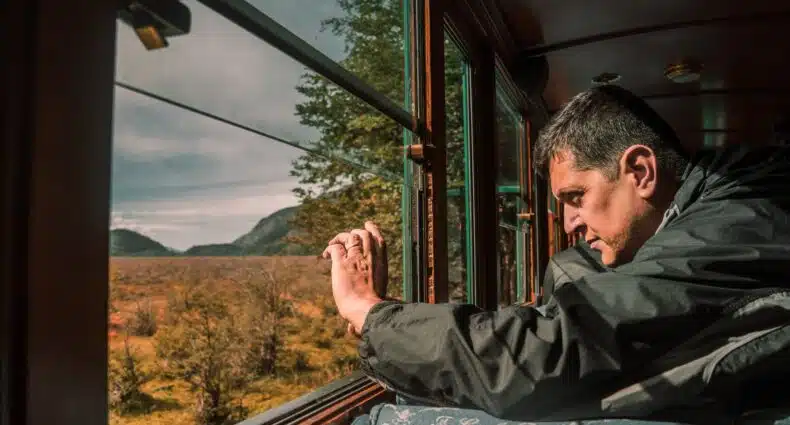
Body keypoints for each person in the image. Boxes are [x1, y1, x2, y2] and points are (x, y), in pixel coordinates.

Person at [323, 85, 790, 423]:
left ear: (641, 171)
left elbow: (554, 351)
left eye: (575, 198)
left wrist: (371, 313)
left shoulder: (737, 225)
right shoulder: (717, 212)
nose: (568, 224)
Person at [539, 204, 607, 306]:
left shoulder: (559, 264)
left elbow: (548, 313)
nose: (568, 228)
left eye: (577, 199)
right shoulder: (560, 264)